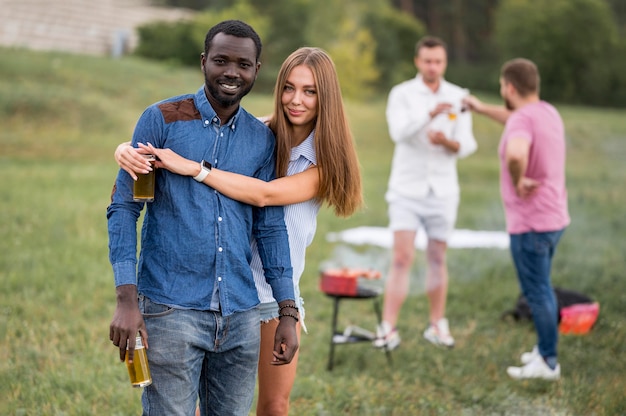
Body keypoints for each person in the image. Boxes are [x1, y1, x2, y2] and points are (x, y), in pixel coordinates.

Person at [114, 47, 362, 415]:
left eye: (310, 91)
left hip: (277, 293)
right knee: (205, 403)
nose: (296, 100)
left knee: (273, 405)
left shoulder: (324, 165)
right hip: (229, 286)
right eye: (289, 88)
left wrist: (193, 168)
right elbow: (203, 135)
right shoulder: (259, 134)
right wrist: (126, 150)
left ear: (326, 97)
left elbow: (264, 196)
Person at [107, 20, 299, 416]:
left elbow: (270, 226)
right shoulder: (162, 119)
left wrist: (288, 310)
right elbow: (125, 208)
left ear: (256, 70)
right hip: (171, 308)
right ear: (203, 62)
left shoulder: (261, 139)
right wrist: (126, 299)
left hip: (241, 316)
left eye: (243, 64)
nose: (231, 72)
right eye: (221, 60)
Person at [463, 58, 569, 380]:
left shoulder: (522, 121)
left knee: (537, 292)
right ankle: (543, 349)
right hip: (554, 218)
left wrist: (519, 178)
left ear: (509, 87)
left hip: (531, 222)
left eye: (501, 86)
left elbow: (516, 153)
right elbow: (514, 119)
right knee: (543, 288)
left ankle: (548, 361)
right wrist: (480, 109)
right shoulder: (546, 112)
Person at [373, 36, 477, 351]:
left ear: (444, 63)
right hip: (406, 188)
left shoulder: (459, 96)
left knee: (436, 257)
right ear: (418, 62)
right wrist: (430, 115)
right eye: (428, 61)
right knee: (402, 257)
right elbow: (398, 132)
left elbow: (467, 144)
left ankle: (437, 324)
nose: (433, 66)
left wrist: (447, 142)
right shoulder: (402, 94)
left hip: (443, 190)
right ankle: (388, 327)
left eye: (439, 61)